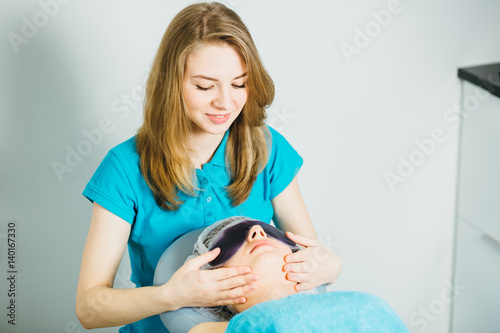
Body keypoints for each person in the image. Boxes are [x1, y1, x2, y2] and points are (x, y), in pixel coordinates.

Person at [75, 2, 342, 333]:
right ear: (172, 84)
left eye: (239, 83)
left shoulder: (267, 149)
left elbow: (305, 260)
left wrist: (330, 266)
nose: (226, 103)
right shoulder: (125, 168)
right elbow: (89, 308)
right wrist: (170, 296)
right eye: (204, 86)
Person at [186, 217, 409, 333]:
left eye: (271, 232)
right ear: (213, 277)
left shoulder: (365, 304)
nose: (258, 231)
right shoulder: (212, 329)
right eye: (231, 240)